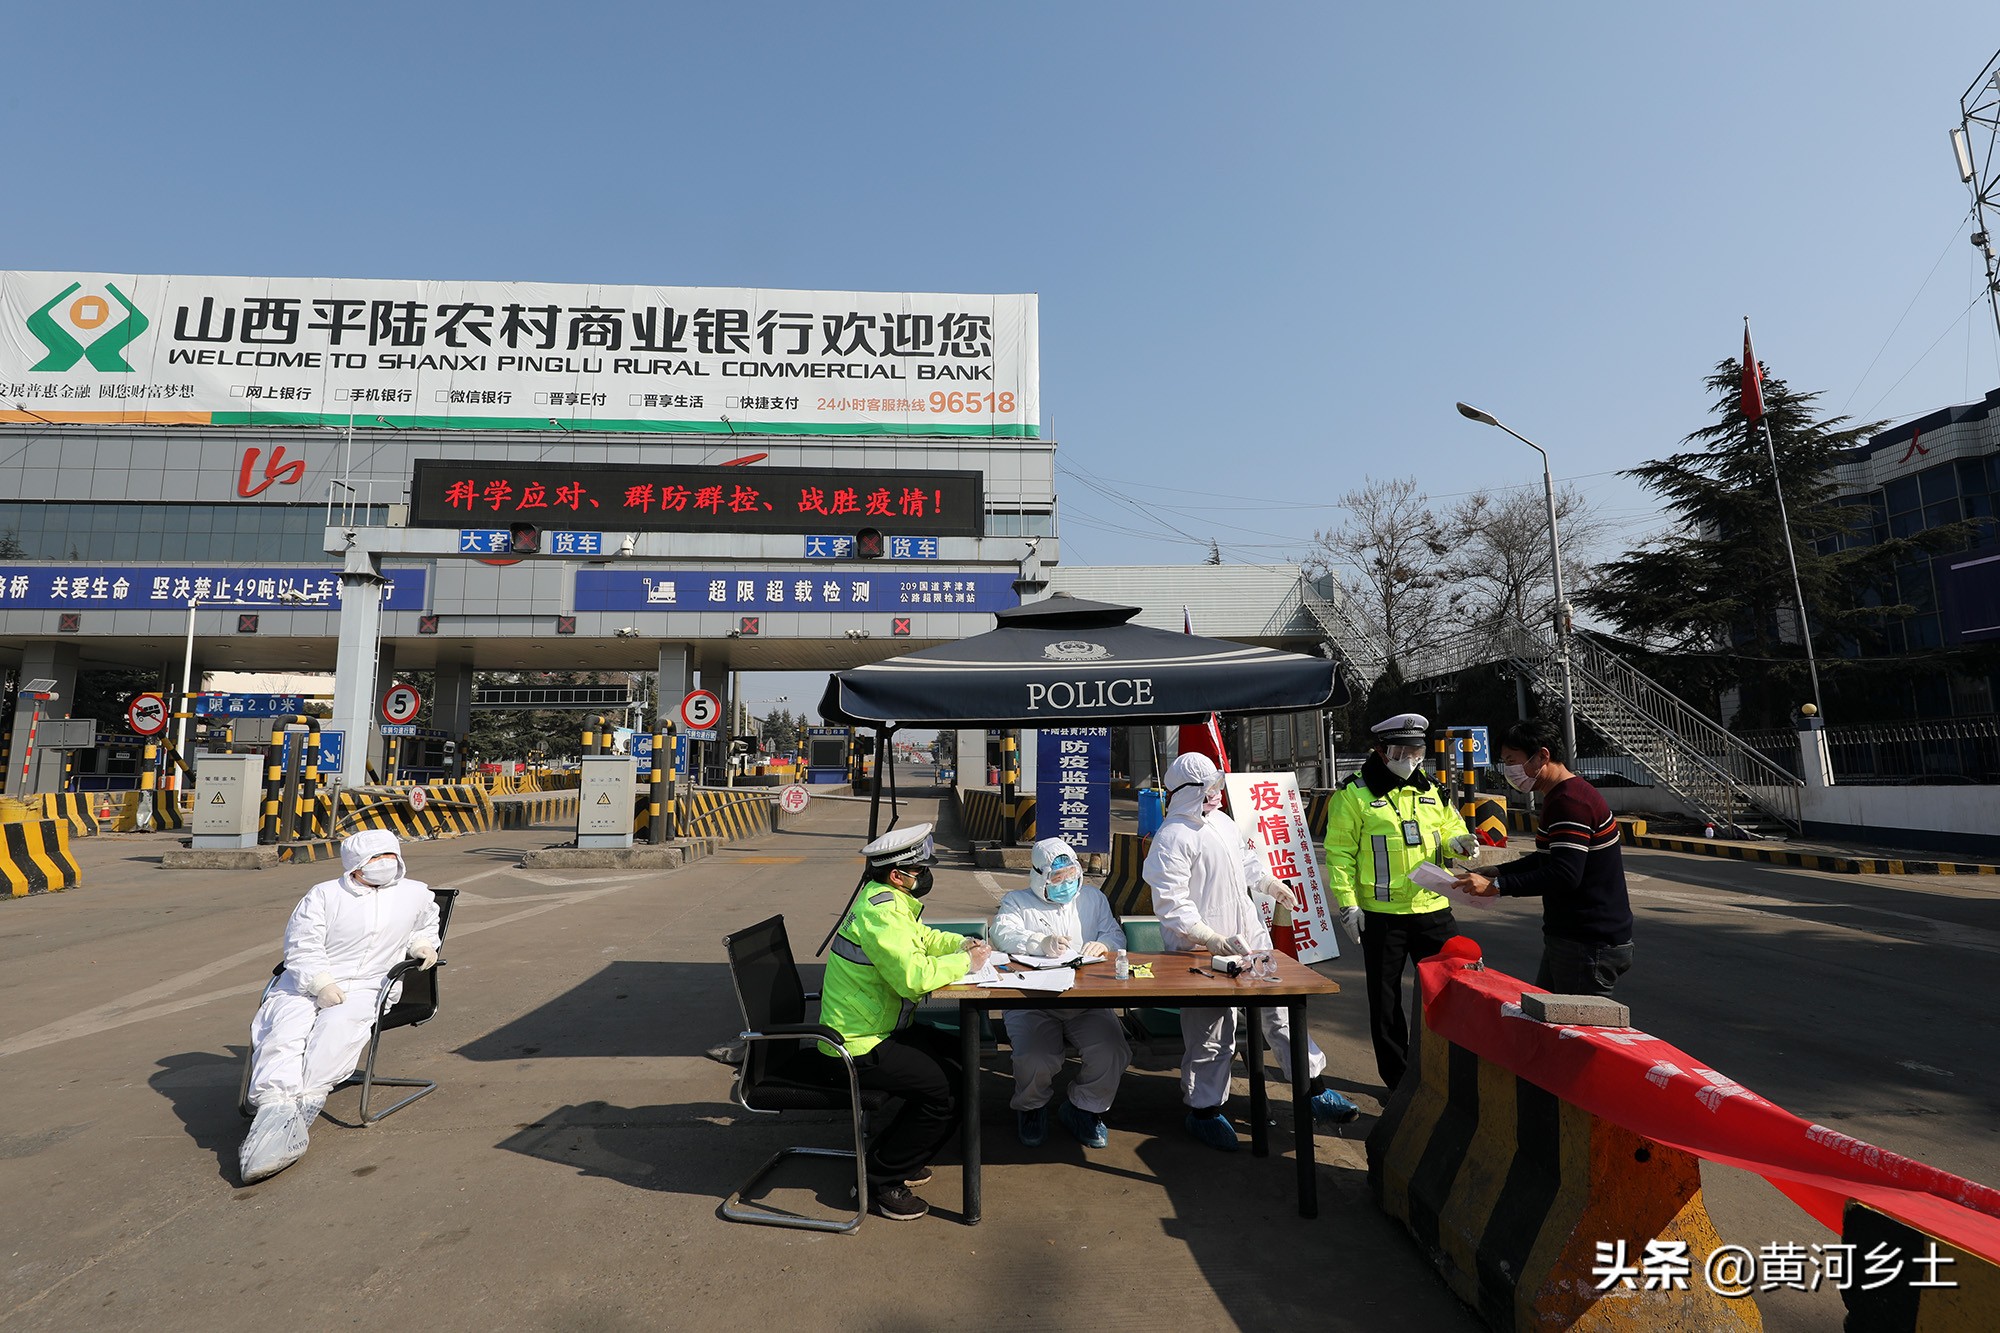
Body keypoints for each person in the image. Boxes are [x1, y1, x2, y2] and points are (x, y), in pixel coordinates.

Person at [1145, 752, 1361, 1151]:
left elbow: (1246, 863)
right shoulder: (1172, 838)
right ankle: (1205, 1111)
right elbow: (1172, 904)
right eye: (1208, 788)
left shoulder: (1222, 823)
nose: (1216, 794)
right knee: (1213, 1032)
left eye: (1216, 786)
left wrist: (1269, 883)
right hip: (1200, 953)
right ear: (1189, 792)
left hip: (1251, 938)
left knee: (1281, 1015)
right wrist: (1209, 938)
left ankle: (1314, 1090)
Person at [240, 829, 440, 1184]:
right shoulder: (324, 896)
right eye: (375, 859)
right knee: (286, 1029)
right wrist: (319, 983)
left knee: (337, 1028)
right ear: (354, 865)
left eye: (389, 856)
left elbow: (423, 926)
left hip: (371, 984)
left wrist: (423, 945)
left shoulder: (416, 894)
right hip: (307, 981)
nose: (384, 865)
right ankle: (275, 1105)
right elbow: (302, 944)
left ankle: (303, 1106)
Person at [820, 822, 988, 1222]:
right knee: (947, 1091)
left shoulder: (889, 902)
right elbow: (914, 980)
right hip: (858, 1042)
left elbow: (922, 939)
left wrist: (962, 944)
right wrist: (968, 962)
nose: (926, 875)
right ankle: (878, 1180)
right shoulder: (882, 913)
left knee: (960, 1059)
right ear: (898, 875)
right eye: (920, 869)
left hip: (879, 1029)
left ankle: (898, 1155)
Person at [1324, 712, 1480, 1091]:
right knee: (1386, 1002)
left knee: (1455, 992)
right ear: (1381, 751)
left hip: (1433, 909)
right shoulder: (1354, 795)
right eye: (1401, 750)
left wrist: (1459, 842)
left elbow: (1448, 829)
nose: (1410, 758)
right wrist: (1348, 904)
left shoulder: (1431, 790)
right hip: (1382, 916)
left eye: (1416, 750)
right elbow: (1339, 854)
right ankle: (1397, 1081)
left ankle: (1448, 1072)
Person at [1454, 717, 1635, 995]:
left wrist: (1497, 888)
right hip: (1573, 939)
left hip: (1587, 943)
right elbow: (1547, 858)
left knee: (1572, 1032)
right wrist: (1499, 872)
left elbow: (1565, 874)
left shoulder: (1569, 802)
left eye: (1512, 760)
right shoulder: (1561, 795)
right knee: (1547, 1025)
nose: (1509, 770)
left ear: (1542, 756)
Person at [987, 837, 1131, 1150]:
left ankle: (1084, 1109)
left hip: (1086, 1000)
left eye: (1070, 875)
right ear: (1039, 877)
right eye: (1056, 878)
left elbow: (1114, 932)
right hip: (1031, 1001)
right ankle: (1031, 1108)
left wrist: (1104, 944)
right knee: (1035, 1057)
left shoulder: (1092, 898)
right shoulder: (1017, 901)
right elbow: (1001, 932)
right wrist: (1038, 943)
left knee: (1112, 1050)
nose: (1066, 883)